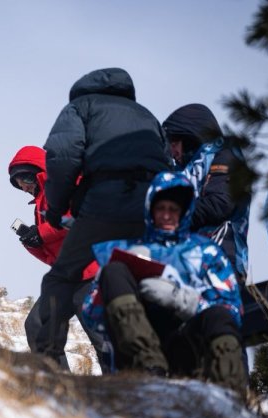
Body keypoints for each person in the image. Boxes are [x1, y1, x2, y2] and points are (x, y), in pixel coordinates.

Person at [35, 67, 171, 365]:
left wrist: (56, 209)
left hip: (106, 202)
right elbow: (168, 163)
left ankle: (48, 363)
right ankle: (150, 367)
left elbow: (63, 155)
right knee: (136, 281)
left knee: (61, 278)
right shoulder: (146, 115)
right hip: (152, 208)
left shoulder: (81, 107)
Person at [86, 171, 246, 394]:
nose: (167, 215)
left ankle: (231, 397)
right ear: (150, 211)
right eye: (161, 209)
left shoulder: (206, 251)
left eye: (173, 209)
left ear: (184, 212)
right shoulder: (129, 249)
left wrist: (184, 300)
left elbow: (233, 310)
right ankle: (149, 368)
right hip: (136, 350)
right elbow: (91, 316)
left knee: (219, 317)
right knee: (113, 272)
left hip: (188, 347)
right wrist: (109, 282)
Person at [8, 145, 109, 372]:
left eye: (23, 179)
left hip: (89, 272)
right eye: (18, 184)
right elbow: (53, 253)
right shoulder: (39, 204)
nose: (23, 186)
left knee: (101, 337)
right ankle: (59, 388)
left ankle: (121, 389)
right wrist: (31, 242)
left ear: (36, 170)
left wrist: (41, 233)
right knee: (37, 325)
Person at [162, 103, 250, 280]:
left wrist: (175, 216)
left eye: (174, 143)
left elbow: (221, 203)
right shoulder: (184, 171)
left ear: (189, 136)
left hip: (222, 259)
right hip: (188, 262)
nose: (172, 152)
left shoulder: (225, 153)